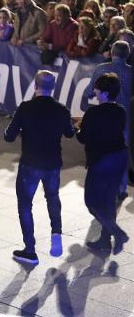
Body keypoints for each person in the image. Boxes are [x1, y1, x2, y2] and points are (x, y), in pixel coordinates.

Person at [4, 70, 75, 264]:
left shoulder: (25, 108)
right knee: (52, 197)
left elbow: (8, 136)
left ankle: (30, 249)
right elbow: (70, 134)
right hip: (52, 163)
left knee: (25, 204)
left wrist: (19, 130)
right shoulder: (61, 109)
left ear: (35, 86)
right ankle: (56, 234)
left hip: (30, 164)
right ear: (53, 88)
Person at [77, 73, 129, 254]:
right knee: (108, 201)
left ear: (105, 93)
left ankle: (117, 233)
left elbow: (83, 138)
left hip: (101, 161)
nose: (95, 91)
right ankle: (105, 241)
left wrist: (79, 128)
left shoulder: (93, 113)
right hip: (120, 158)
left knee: (91, 201)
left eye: (97, 89)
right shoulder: (120, 110)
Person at [85, 41, 132, 199]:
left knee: (102, 151)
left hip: (103, 117)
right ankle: (122, 188)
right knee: (121, 152)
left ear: (112, 53)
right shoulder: (132, 73)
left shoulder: (101, 69)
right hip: (123, 118)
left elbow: (88, 93)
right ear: (129, 54)